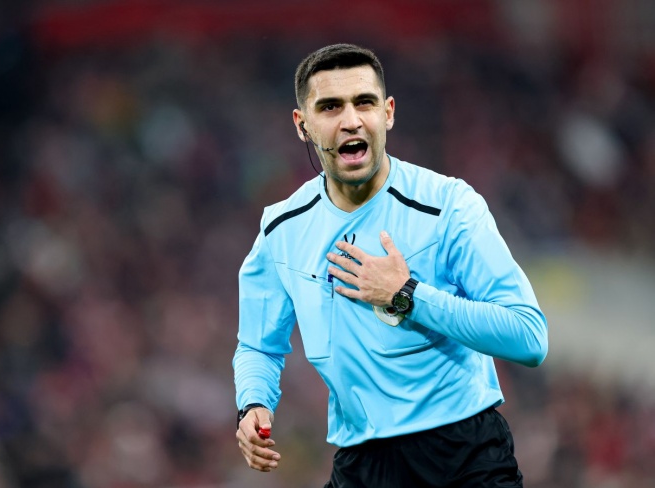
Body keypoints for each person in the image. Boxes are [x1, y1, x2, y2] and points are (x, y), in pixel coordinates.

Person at [233, 43, 548, 487]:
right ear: (302, 125)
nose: (351, 120)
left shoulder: (449, 206)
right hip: (363, 463)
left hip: (465, 456)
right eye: (330, 107)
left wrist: (407, 295)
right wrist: (253, 403)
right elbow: (258, 345)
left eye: (364, 102)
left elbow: (529, 337)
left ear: (388, 113)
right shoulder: (281, 229)